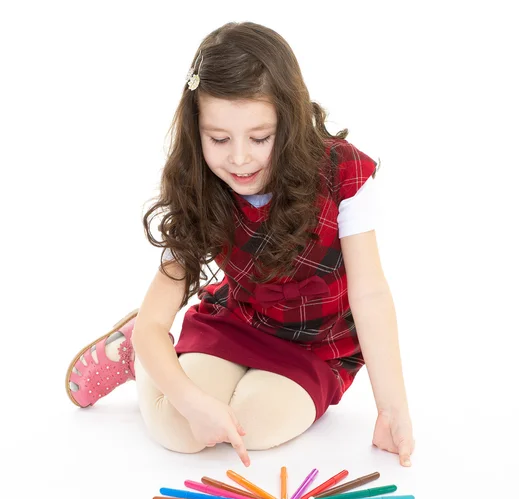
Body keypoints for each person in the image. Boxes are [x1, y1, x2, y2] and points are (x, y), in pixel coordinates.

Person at [65, 21, 414, 469]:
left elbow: (370, 296)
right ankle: (140, 358)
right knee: (183, 428)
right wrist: (189, 399)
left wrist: (392, 407)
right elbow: (156, 319)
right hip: (239, 320)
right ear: (197, 131)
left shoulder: (342, 175)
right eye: (219, 139)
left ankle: (169, 372)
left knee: (252, 426)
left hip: (317, 345)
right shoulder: (198, 187)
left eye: (260, 137)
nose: (240, 157)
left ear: (288, 121)